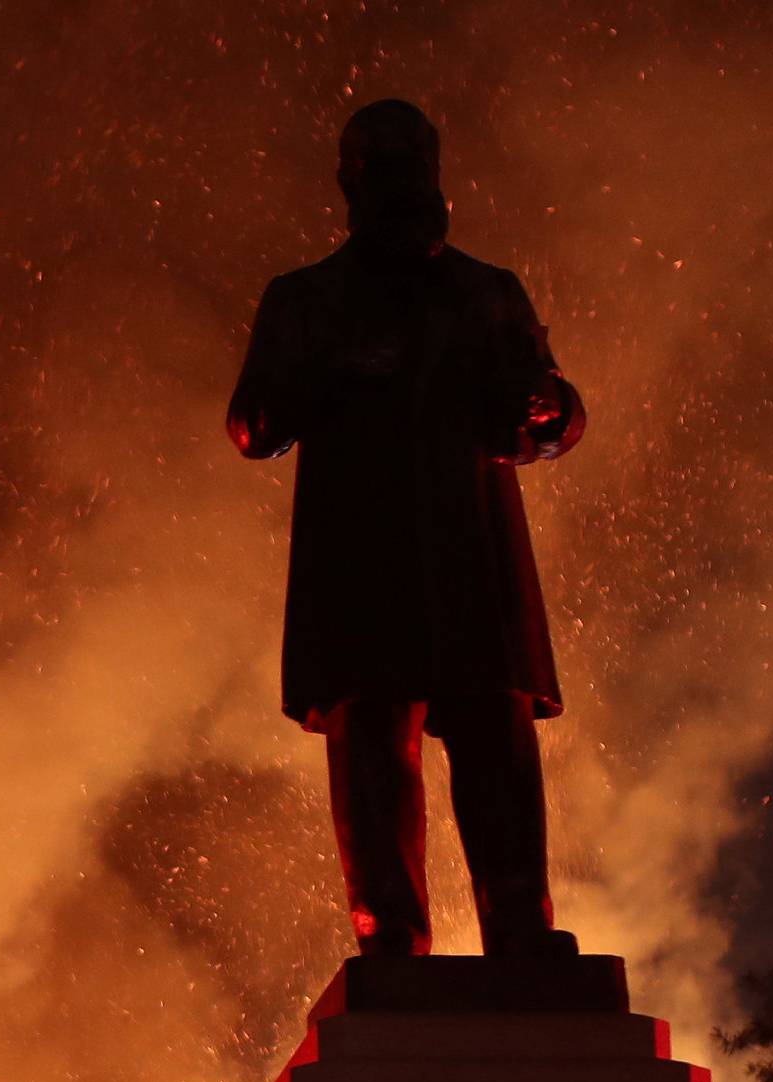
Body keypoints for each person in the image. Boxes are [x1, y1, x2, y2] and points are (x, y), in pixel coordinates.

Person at [227, 99, 584, 961]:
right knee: (375, 746)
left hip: (469, 547)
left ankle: (520, 929)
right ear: (351, 182)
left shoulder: (486, 291)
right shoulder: (307, 300)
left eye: (416, 164)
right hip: (364, 555)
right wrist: (333, 372)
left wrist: (551, 409)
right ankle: (389, 934)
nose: (405, 182)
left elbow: (549, 405)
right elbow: (253, 425)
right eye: (385, 167)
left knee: (495, 738)